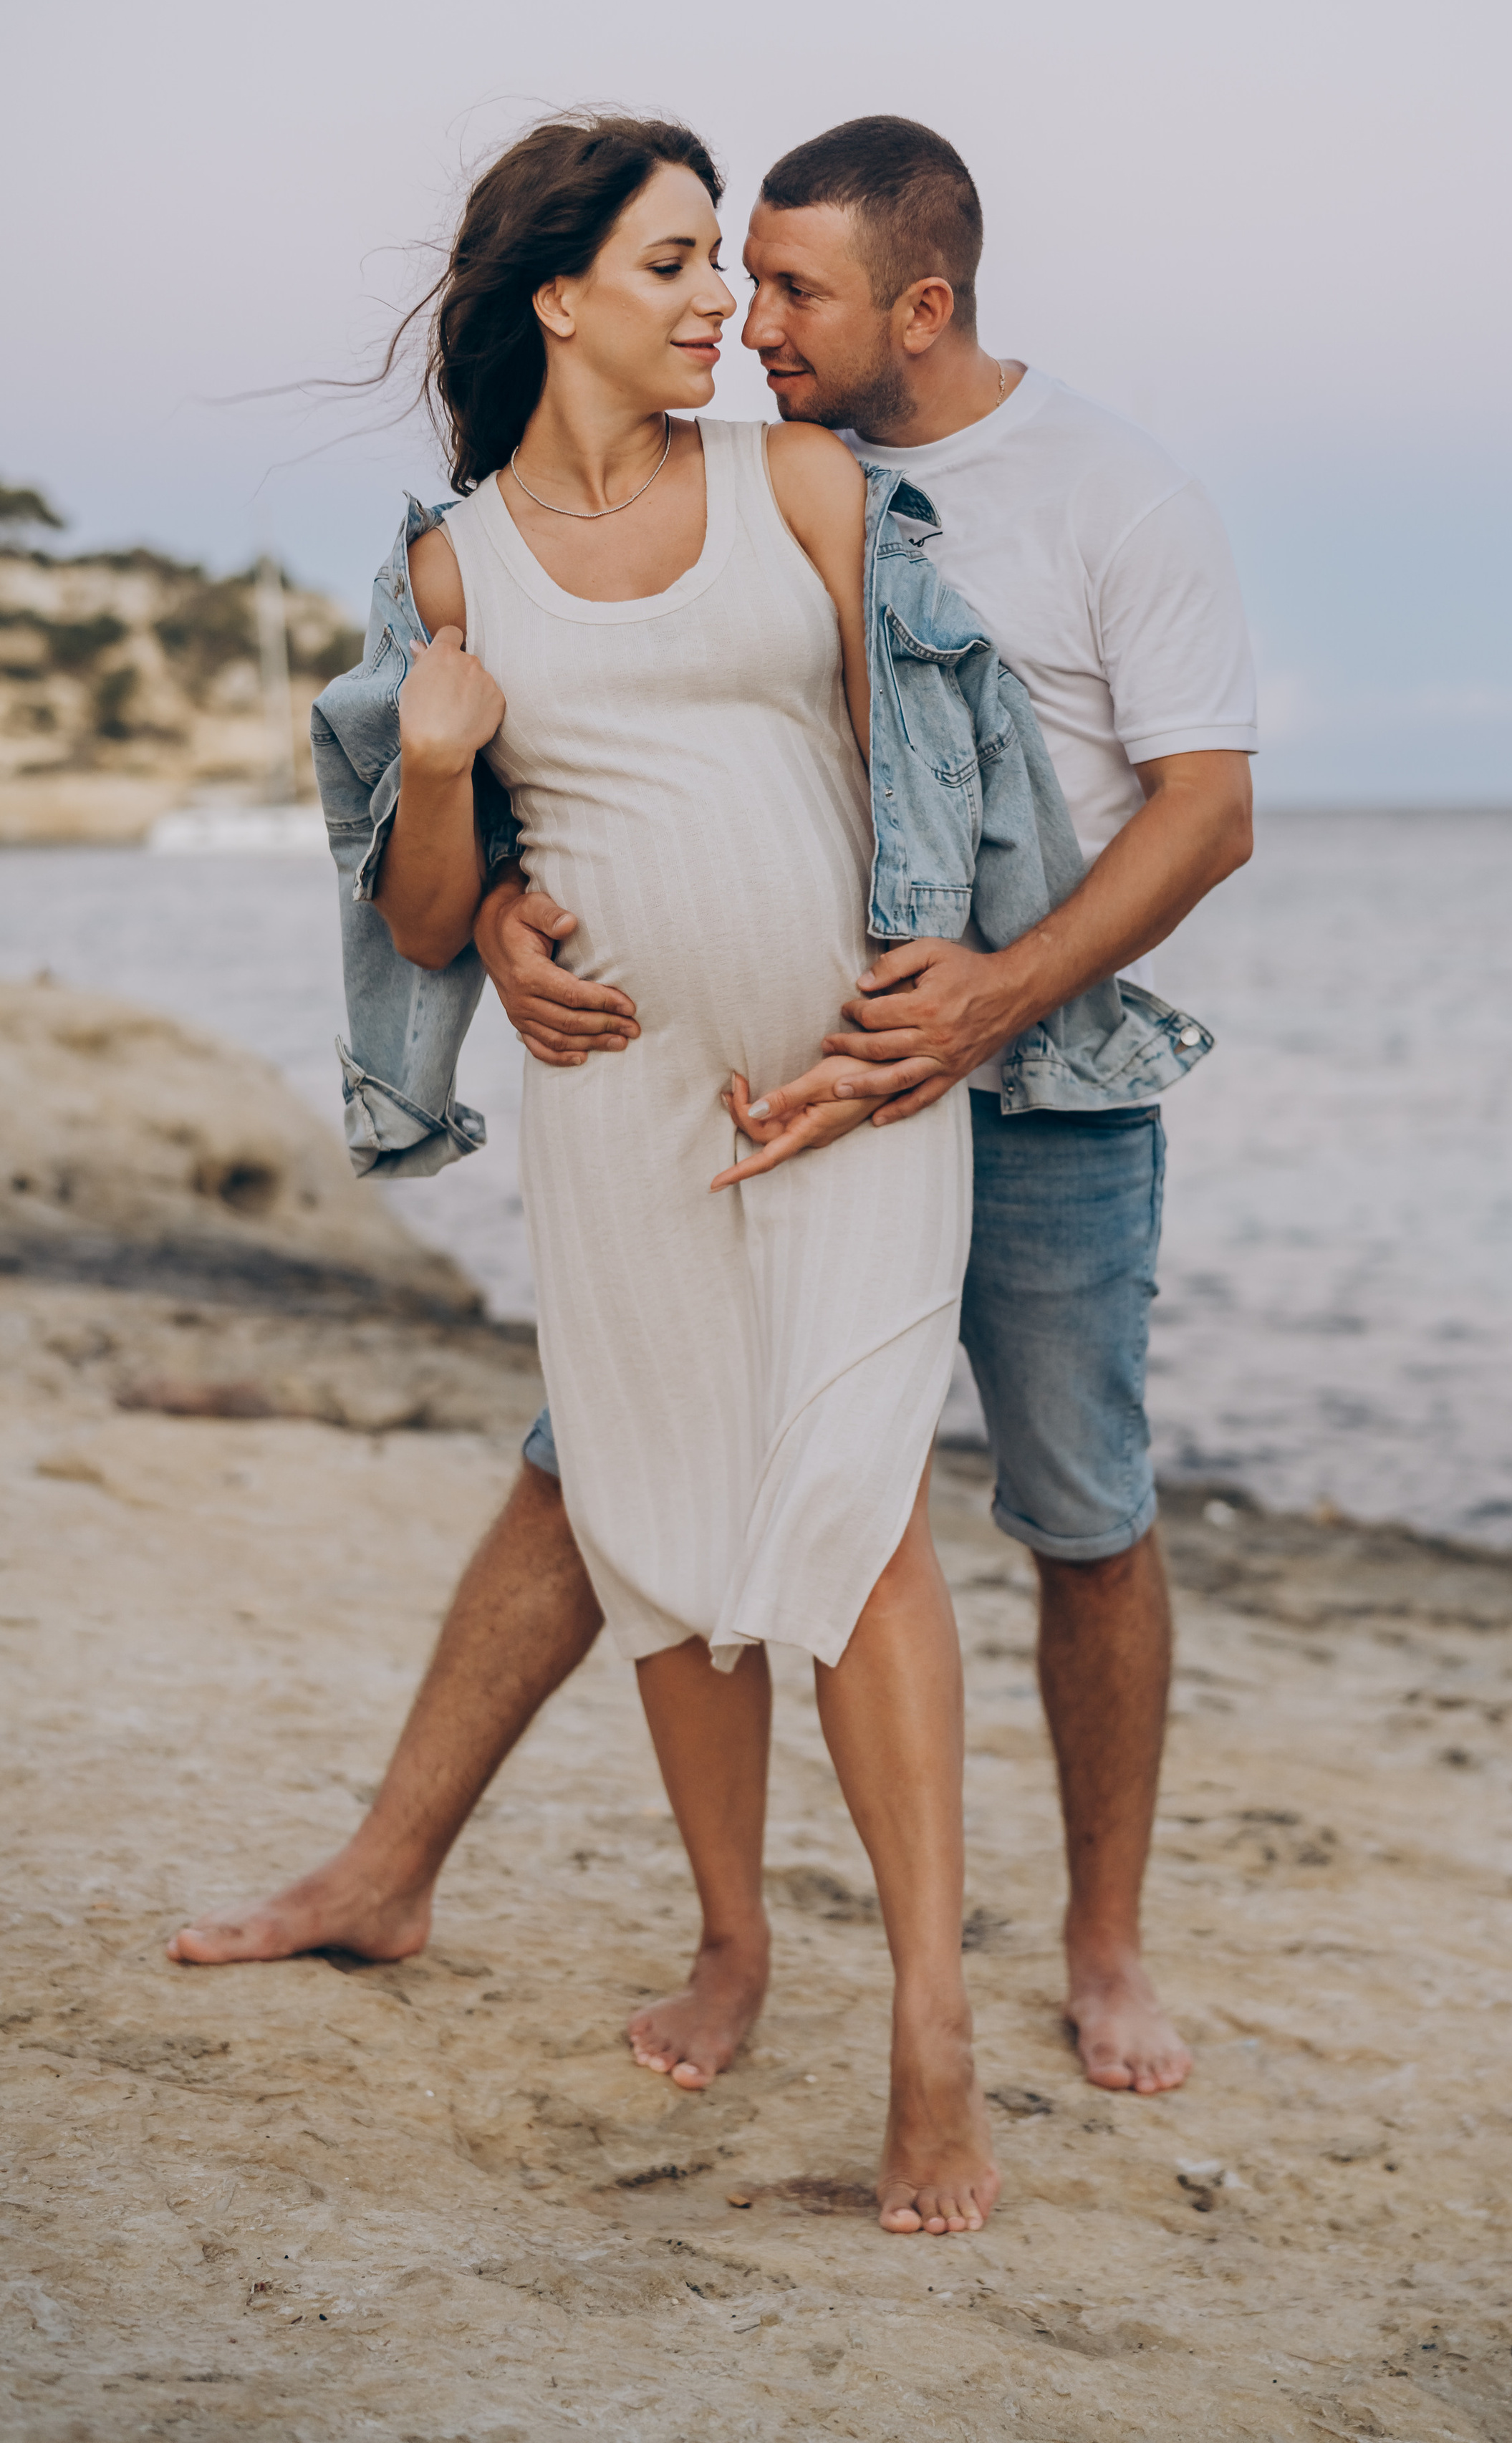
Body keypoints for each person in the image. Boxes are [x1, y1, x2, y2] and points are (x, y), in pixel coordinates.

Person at [173, 115, 1257, 2108]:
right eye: (710, 273)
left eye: (781, 289)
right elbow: (493, 836)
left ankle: (1088, 1955)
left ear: (915, 310)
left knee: (1062, 1507)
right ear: (568, 301)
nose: (748, 318)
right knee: (615, 1483)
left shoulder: (1062, 491)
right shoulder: (545, 528)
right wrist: (493, 901)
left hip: (1003, 1073)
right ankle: (456, 1877)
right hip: (686, 1112)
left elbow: (1157, 806)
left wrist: (985, 999)